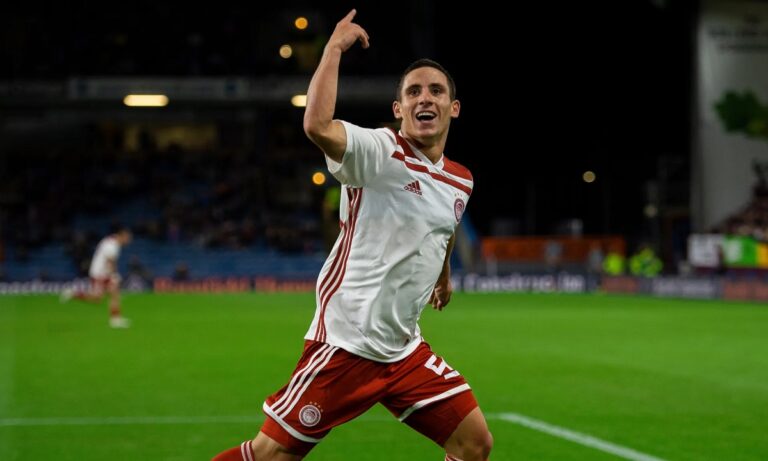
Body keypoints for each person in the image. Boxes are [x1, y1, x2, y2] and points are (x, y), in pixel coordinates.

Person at [212, 9, 492, 461]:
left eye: (436, 91)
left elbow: (446, 225)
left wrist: (443, 274)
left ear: (453, 108)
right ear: (399, 110)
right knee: (270, 455)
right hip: (348, 342)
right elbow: (317, 126)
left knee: (474, 443)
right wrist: (333, 50)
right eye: (413, 91)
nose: (425, 98)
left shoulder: (461, 180)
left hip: (404, 350)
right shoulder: (380, 150)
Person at [60, 227, 133, 328]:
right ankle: (72, 293)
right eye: (128, 238)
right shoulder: (112, 246)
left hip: (104, 272)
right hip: (99, 273)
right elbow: (110, 262)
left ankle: (115, 320)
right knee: (96, 299)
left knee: (114, 293)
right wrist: (114, 275)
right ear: (122, 235)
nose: (129, 241)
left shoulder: (111, 241)